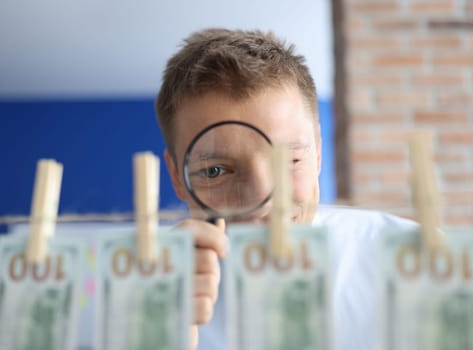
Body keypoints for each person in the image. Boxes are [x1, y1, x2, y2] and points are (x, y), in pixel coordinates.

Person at [155, 28, 417, 350]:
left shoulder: (422, 264)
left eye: (288, 159)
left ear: (318, 153)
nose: (261, 200)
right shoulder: (151, 298)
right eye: (216, 171)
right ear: (177, 177)